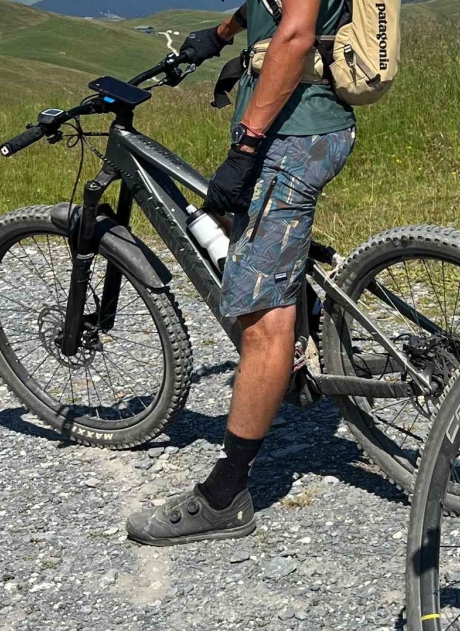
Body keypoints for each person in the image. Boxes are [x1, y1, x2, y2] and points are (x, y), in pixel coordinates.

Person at [126, 0, 357, 546]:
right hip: (302, 127)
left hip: (292, 137)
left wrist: (247, 146)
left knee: (260, 321)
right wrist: (223, 33)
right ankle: (302, 335)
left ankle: (226, 495)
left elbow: (296, 34)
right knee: (245, 234)